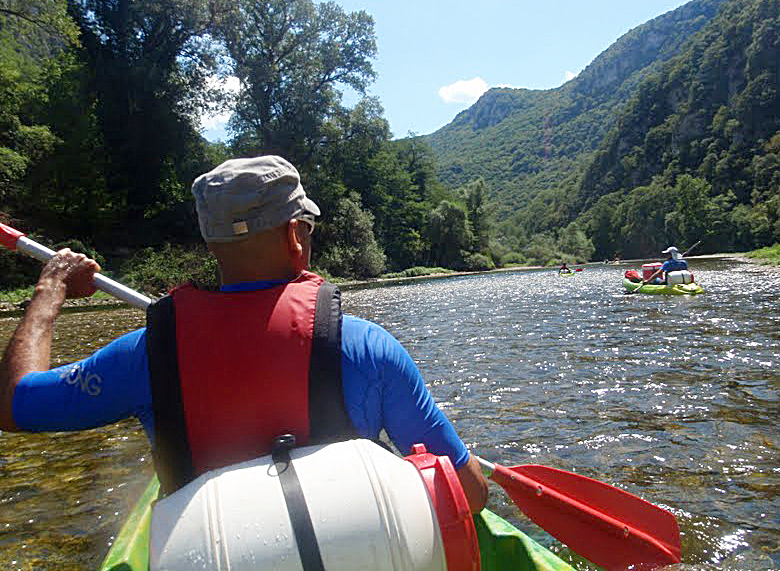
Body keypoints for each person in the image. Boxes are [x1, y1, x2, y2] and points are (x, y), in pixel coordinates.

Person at [0, 155, 488, 512]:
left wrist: (50, 291)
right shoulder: (367, 347)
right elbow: (468, 493)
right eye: (309, 227)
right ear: (295, 236)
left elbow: (14, 405)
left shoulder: (145, 355)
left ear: (211, 240)